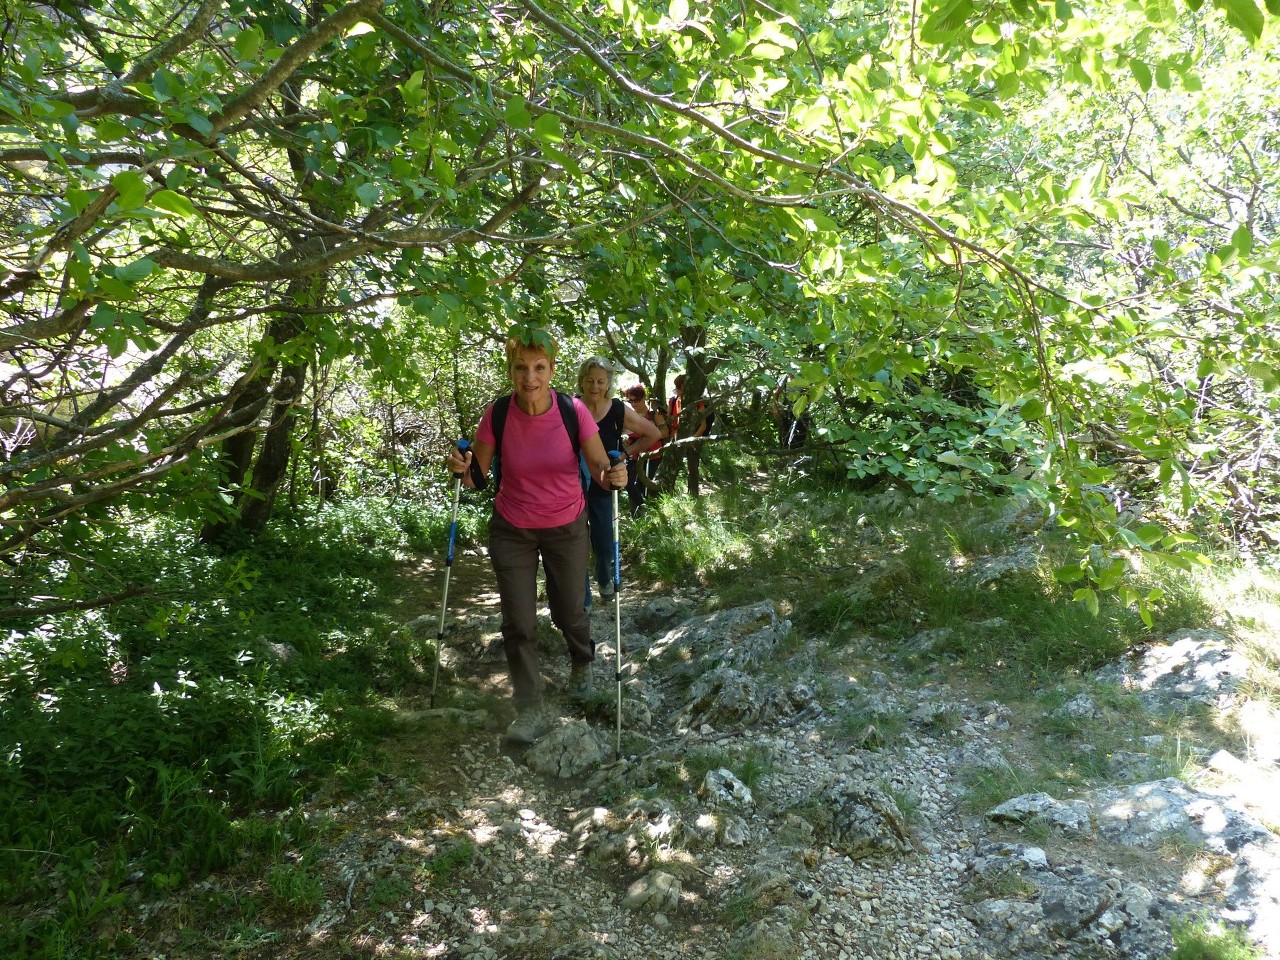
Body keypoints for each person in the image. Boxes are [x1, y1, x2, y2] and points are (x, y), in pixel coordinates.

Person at [446, 330, 628, 745]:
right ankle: (528, 706)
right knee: (519, 621)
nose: (530, 377)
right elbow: (476, 477)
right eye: (521, 368)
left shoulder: (573, 411)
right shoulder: (497, 414)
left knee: (569, 611)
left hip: (566, 526)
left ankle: (582, 659)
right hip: (513, 528)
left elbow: (600, 466)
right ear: (510, 370)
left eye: (539, 368)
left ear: (551, 370)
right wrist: (460, 466)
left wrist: (614, 474)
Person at [577, 359, 660, 605]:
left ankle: (603, 578)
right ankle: (583, 596)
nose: (595, 386)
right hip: (574, 483)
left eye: (601, 381)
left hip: (605, 482)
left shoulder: (616, 409)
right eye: (590, 380)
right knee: (576, 540)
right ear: (582, 380)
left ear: (609, 383)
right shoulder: (571, 406)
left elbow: (653, 434)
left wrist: (624, 455)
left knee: (603, 541)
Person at [623, 384, 668, 516]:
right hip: (634, 454)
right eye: (630, 401)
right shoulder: (630, 415)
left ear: (643, 398)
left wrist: (648, 433)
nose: (633, 404)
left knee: (643, 485)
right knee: (627, 480)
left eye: (636, 400)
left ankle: (641, 515)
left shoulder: (655, 414)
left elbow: (664, 432)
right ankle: (640, 508)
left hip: (652, 455)